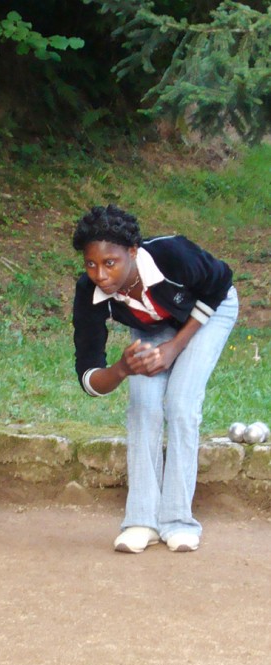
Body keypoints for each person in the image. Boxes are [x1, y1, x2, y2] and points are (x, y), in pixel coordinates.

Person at [71, 205, 238, 553]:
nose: (100, 274)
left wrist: (175, 348)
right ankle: (141, 521)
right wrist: (122, 369)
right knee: (144, 406)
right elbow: (89, 375)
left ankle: (178, 521)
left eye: (110, 263)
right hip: (153, 325)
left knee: (180, 404)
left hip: (209, 311)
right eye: (91, 264)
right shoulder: (89, 292)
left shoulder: (172, 254)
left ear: (132, 252)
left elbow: (221, 280)